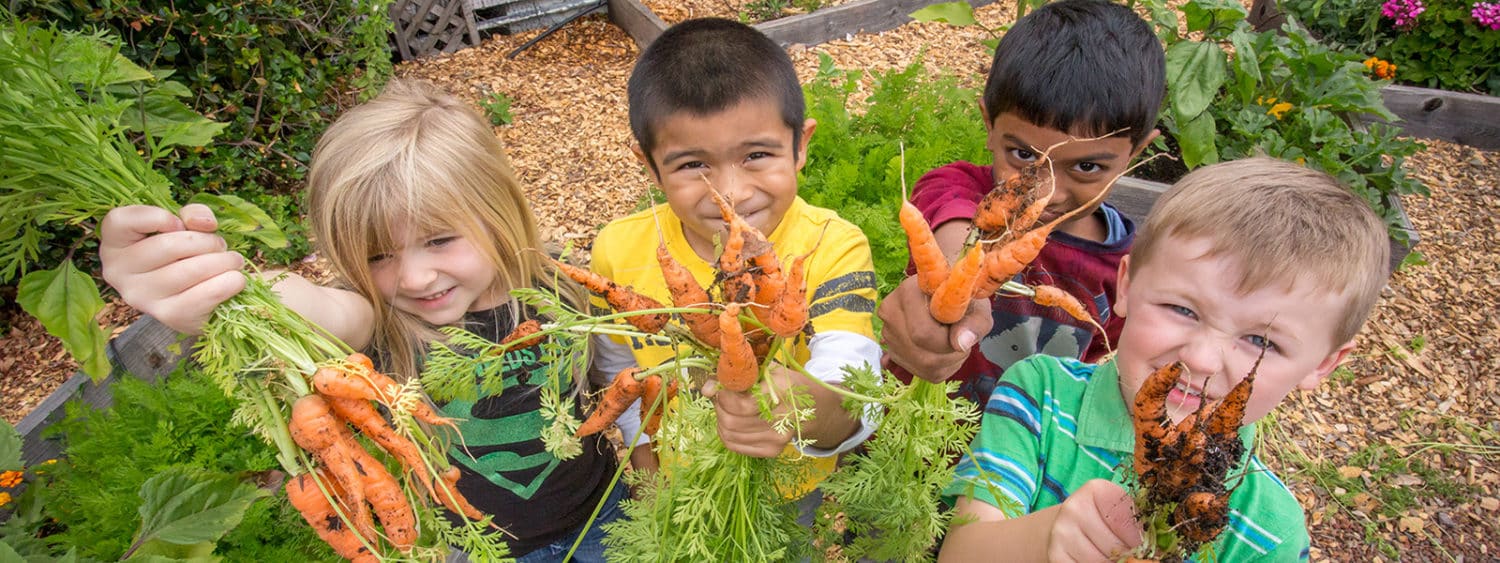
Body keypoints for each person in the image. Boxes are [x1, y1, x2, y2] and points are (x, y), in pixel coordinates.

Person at [98, 79, 630, 562]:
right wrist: (219, 286)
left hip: (606, 511)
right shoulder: (378, 323)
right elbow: (308, 306)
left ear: (497, 214)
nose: (415, 278)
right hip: (484, 546)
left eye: (439, 239)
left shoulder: (559, 287)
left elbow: (612, 377)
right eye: (378, 255)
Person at [937, 157, 1390, 561]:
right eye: (1182, 310)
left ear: (1322, 365)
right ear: (1128, 286)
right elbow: (960, 553)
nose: (1203, 358)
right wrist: (1045, 538)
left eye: (1262, 342)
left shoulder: (1268, 530)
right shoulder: (1038, 394)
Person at [588, 17, 881, 509]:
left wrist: (797, 410)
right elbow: (622, 371)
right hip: (684, 491)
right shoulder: (618, 251)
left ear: (801, 144)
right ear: (650, 166)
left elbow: (855, 385)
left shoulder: (832, 246)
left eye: (757, 155)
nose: (730, 192)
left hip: (792, 491)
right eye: (692, 164)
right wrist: (645, 466)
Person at [878, 0, 1166, 404]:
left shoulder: (1125, 270)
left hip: (1021, 457)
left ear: (1133, 154)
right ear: (989, 126)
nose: (1048, 193)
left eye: (1086, 166)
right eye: (1025, 157)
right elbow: (951, 225)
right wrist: (960, 286)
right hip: (904, 436)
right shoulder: (954, 187)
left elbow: (1095, 362)